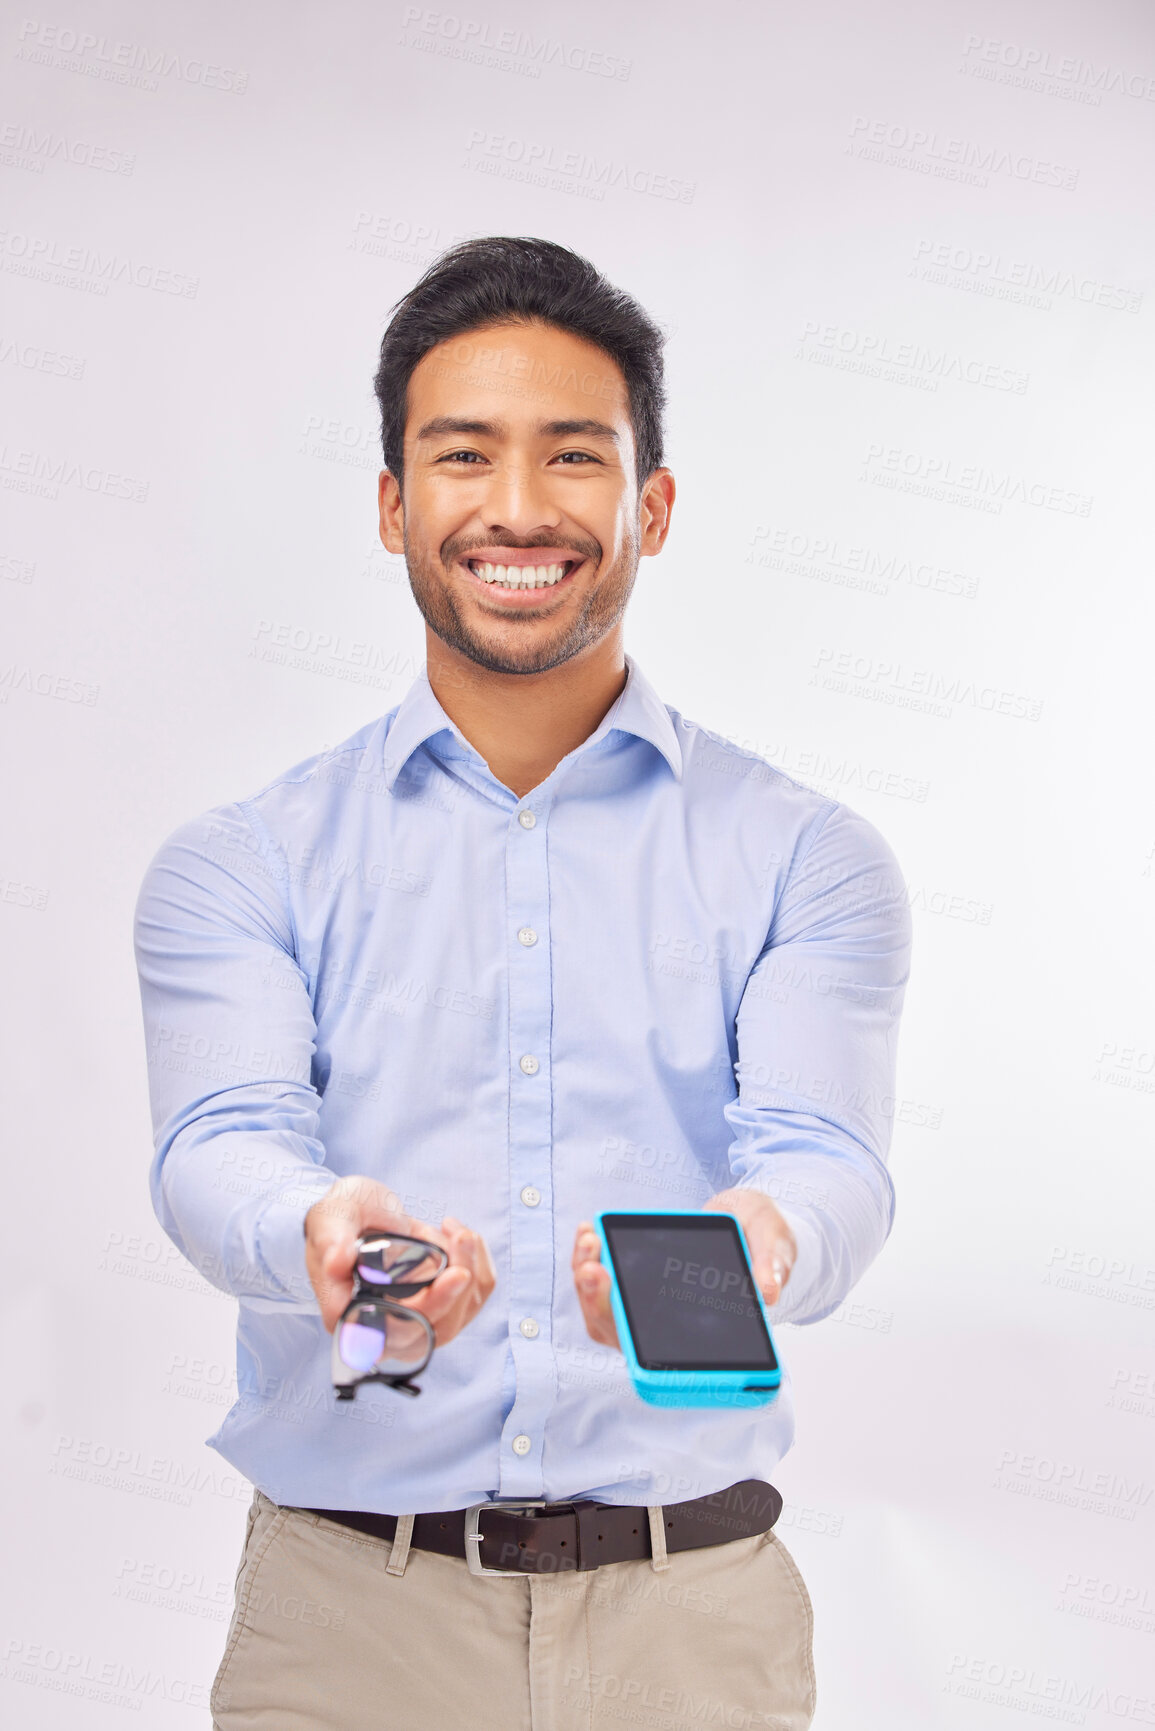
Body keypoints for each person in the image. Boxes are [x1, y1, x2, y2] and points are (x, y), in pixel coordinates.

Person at [133, 235, 913, 1730]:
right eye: (461, 455)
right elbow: (213, 1149)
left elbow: (829, 1169)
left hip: (695, 1629)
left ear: (652, 505)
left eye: (572, 457)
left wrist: (757, 1245)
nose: (516, 509)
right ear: (392, 505)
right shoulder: (242, 864)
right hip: (350, 1624)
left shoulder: (807, 856)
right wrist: (314, 1230)